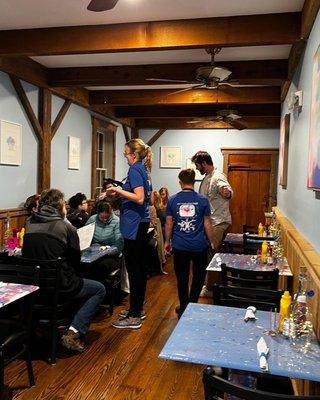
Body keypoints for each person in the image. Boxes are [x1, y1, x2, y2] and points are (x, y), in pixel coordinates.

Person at [22, 188, 106, 353]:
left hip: (33, 287)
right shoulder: (66, 228)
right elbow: (76, 261)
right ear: (60, 206)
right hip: (61, 286)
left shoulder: (29, 223)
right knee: (98, 289)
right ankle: (74, 331)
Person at [106, 138, 152, 329]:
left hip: (134, 225)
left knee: (134, 270)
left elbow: (139, 198)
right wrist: (117, 193)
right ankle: (137, 309)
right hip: (140, 223)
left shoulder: (134, 169)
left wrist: (117, 189)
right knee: (139, 269)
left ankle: (133, 315)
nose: (124, 157)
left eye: (126, 153)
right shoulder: (143, 169)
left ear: (134, 154)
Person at [164, 169, 213, 317]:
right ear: (194, 181)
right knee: (199, 276)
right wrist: (211, 242)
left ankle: (184, 306)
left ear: (180, 182)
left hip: (180, 245)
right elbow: (207, 224)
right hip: (199, 245)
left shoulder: (172, 200)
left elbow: (168, 224)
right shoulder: (203, 200)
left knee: (182, 277)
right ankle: (193, 304)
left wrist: (167, 241)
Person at [191, 151, 233, 297]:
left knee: (212, 255)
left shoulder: (218, 176)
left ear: (203, 163)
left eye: (197, 165)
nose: (197, 168)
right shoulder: (207, 177)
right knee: (209, 254)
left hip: (217, 222)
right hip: (211, 222)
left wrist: (226, 191)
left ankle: (211, 289)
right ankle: (211, 285)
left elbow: (227, 191)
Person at [85, 201, 124, 279]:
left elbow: (119, 245)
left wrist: (106, 252)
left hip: (111, 253)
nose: (104, 220)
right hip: (94, 251)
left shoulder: (116, 221)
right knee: (83, 265)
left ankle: (102, 288)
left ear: (111, 213)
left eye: (107, 217)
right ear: (98, 214)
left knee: (100, 267)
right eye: (102, 218)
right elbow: (85, 236)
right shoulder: (93, 219)